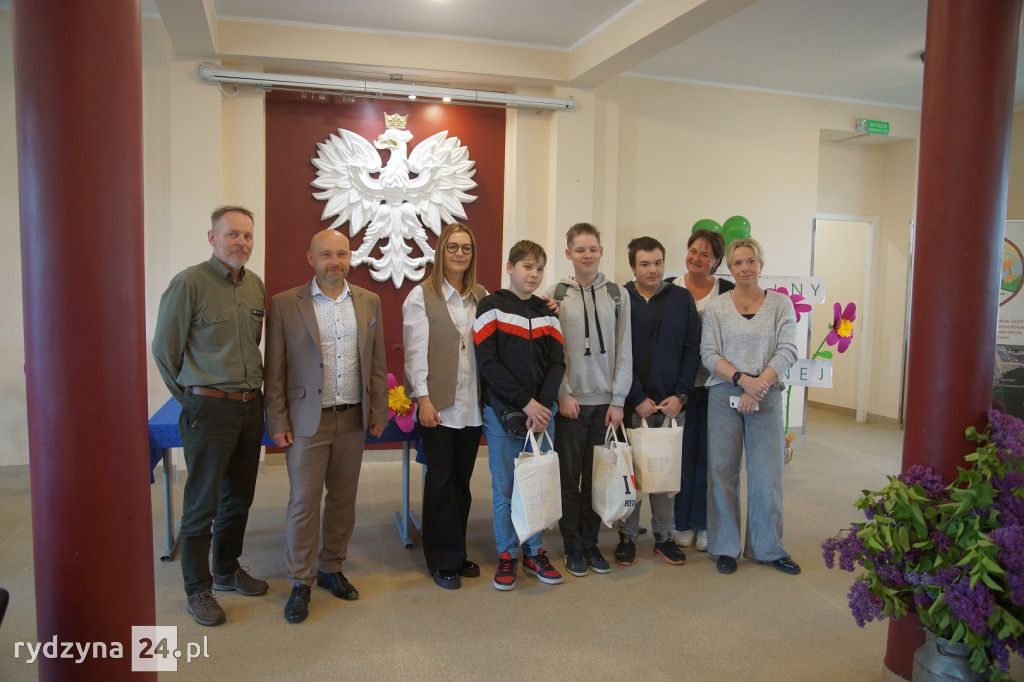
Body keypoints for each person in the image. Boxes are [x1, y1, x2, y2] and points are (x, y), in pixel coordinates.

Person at [152, 206, 269, 627]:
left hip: (249, 406)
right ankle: (197, 589)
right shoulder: (189, 283)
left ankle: (226, 569)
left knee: (238, 498)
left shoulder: (255, 286)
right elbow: (164, 350)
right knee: (201, 503)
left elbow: (253, 344)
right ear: (212, 237)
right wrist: (191, 399)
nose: (241, 242)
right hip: (208, 407)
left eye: (247, 236)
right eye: (232, 234)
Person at [264, 229, 387, 623]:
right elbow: (275, 369)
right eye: (327, 255)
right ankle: (301, 580)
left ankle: (332, 567)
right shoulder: (285, 304)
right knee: (304, 501)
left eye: (342, 254)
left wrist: (379, 411)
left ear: (350, 257)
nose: (335, 262)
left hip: (352, 417)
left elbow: (377, 362)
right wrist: (278, 419)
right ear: (311, 258)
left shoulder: (369, 301)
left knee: (343, 499)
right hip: (306, 421)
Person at [701, 237, 800, 576]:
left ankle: (767, 548)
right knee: (722, 472)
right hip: (724, 394)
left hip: (766, 395)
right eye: (738, 262)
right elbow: (709, 354)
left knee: (767, 475)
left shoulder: (781, 305)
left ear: (761, 264)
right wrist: (743, 380)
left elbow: (787, 350)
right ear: (729, 268)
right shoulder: (717, 308)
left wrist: (759, 385)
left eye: (750, 261)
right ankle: (725, 547)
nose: (744, 268)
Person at [474, 240, 566, 591]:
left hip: (542, 414)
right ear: (509, 267)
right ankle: (507, 553)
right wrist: (525, 402)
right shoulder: (490, 306)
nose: (534, 274)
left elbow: (557, 363)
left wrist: (543, 406)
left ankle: (535, 550)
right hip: (502, 412)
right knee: (506, 487)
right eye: (527, 267)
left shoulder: (548, 311)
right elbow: (488, 363)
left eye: (540, 269)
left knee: (537, 484)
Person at [402, 224, 487, 590]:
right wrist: (422, 398)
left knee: (461, 483)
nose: (459, 253)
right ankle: (440, 560)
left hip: (471, 406)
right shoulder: (421, 296)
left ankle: (457, 550)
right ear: (440, 252)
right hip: (438, 405)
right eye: (452, 247)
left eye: (466, 248)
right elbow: (415, 353)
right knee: (439, 482)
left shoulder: (482, 296)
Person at [551, 223, 632, 578]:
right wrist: (563, 393)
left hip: (606, 405)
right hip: (571, 404)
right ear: (568, 253)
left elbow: (625, 348)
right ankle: (572, 545)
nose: (587, 255)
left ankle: (590, 542)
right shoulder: (555, 294)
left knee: (598, 479)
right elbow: (551, 351)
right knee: (570, 480)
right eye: (580, 249)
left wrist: (619, 399)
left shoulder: (617, 295)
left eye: (593, 248)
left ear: (601, 251)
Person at [616, 237, 700, 566]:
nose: (653, 270)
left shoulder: (681, 298)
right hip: (632, 403)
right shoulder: (621, 298)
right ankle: (627, 535)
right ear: (633, 267)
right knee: (632, 473)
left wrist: (680, 396)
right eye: (645, 264)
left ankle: (665, 536)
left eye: (658, 263)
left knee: (664, 475)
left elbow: (691, 350)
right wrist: (636, 397)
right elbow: (618, 352)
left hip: (671, 406)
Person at [670, 229, 734, 552]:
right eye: (693, 250)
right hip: (679, 389)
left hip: (716, 386)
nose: (696, 258)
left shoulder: (728, 292)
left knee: (711, 458)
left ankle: (705, 523)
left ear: (717, 261)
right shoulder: (670, 288)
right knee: (681, 456)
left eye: (705, 254)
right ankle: (681, 522)